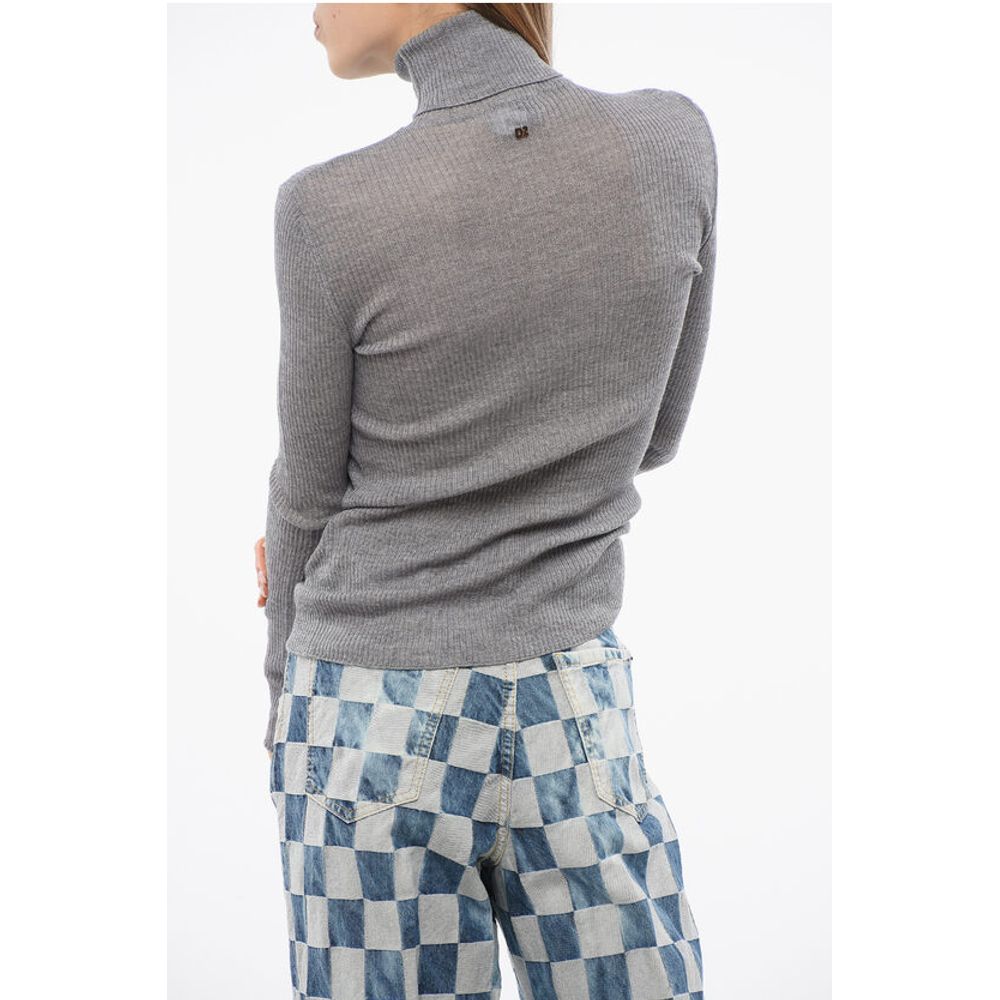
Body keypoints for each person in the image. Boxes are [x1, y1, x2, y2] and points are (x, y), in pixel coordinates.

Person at [255, 4, 716, 998]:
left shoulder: (327, 208)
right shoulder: (669, 140)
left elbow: (307, 496)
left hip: (367, 716)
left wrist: (283, 698)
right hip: (574, 703)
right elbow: (656, 433)